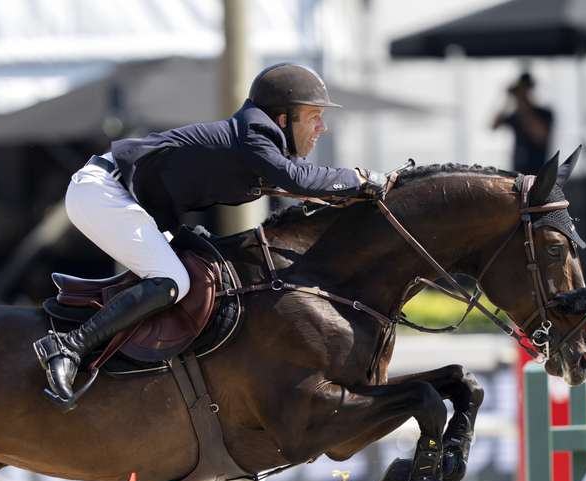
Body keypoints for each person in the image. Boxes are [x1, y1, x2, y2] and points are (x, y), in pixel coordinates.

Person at [33, 63, 386, 411]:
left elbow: (306, 188)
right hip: (102, 192)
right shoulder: (255, 134)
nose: (321, 127)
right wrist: (360, 177)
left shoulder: (261, 142)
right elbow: (299, 180)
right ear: (282, 118)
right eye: (313, 116)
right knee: (172, 281)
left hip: (121, 197)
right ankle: (68, 346)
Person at [491, 72, 554, 175]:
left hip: (539, 173)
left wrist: (523, 103)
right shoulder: (516, 115)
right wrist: (508, 100)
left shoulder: (544, 113)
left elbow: (540, 137)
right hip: (517, 173)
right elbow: (493, 126)